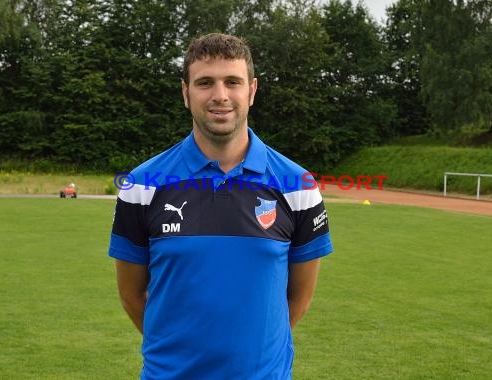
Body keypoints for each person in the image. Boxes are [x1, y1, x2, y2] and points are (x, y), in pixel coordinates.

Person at [108, 33, 333, 380]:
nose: (220, 95)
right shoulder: (141, 186)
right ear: (186, 93)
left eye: (232, 82)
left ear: (252, 90)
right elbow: (131, 295)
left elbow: (298, 299)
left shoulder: (298, 187)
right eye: (204, 83)